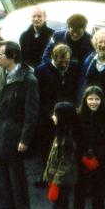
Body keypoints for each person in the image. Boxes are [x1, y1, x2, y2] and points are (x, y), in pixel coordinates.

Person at [0, 41, 39, 209]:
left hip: (15, 133)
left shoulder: (28, 80)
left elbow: (31, 113)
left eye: (0, 55)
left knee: (16, 176)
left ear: (13, 57)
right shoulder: (0, 72)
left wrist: (25, 139)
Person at [34, 44, 80, 182]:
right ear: (53, 57)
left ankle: (65, 175)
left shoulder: (74, 67)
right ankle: (46, 174)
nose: (65, 64)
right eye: (61, 61)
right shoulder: (41, 71)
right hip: (48, 115)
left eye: (67, 61)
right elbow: (38, 96)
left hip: (69, 113)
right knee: (46, 146)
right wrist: (49, 114)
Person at [44, 102, 78, 209]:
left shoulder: (68, 139)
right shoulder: (60, 134)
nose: (53, 117)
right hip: (56, 181)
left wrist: (56, 183)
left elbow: (66, 164)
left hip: (62, 183)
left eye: (55, 114)